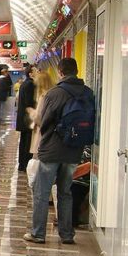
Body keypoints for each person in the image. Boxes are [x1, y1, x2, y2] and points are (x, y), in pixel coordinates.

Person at [24, 57, 94, 245]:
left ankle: (38, 233)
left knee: (41, 191)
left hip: (52, 151)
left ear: (61, 72)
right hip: (74, 151)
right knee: (65, 192)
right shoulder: (88, 93)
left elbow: (44, 122)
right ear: (77, 71)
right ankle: (67, 234)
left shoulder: (54, 93)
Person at [15, 65, 37, 171]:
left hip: (23, 118)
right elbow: (29, 102)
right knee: (27, 142)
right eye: (35, 70)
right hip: (27, 118)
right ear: (30, 73)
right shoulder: (30, 84)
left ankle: (22, 164)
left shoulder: (25, 83)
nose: (37, 72)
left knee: (24, 141)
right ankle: (25, 165)